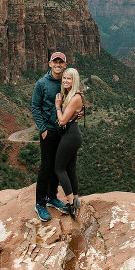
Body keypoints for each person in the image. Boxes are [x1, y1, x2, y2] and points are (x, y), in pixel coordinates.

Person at [30, 52, 70, 221]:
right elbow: (35, 107)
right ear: (50, 64)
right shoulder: (42, 84)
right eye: (55, 62)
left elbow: (73, 101)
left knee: (57, 165)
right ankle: (40, 204)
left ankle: (52, 197)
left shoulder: (66, 82)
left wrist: (79, 113)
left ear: (65, 65)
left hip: (63, 129)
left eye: (61, 62)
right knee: (46, 166)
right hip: (48, 130)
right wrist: (43, 128)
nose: (58, 65)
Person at [54, 67, 85, 219]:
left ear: (75, 80)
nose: (65, 80)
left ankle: (71, 204)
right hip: (72, 135)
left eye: (69, 78)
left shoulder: (75, 98)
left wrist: (58, 106)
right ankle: (76, 200)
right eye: (64, 78)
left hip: (71, 136)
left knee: (59, 168)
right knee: (70, 169)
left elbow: (62, 120)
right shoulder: (72, 95)